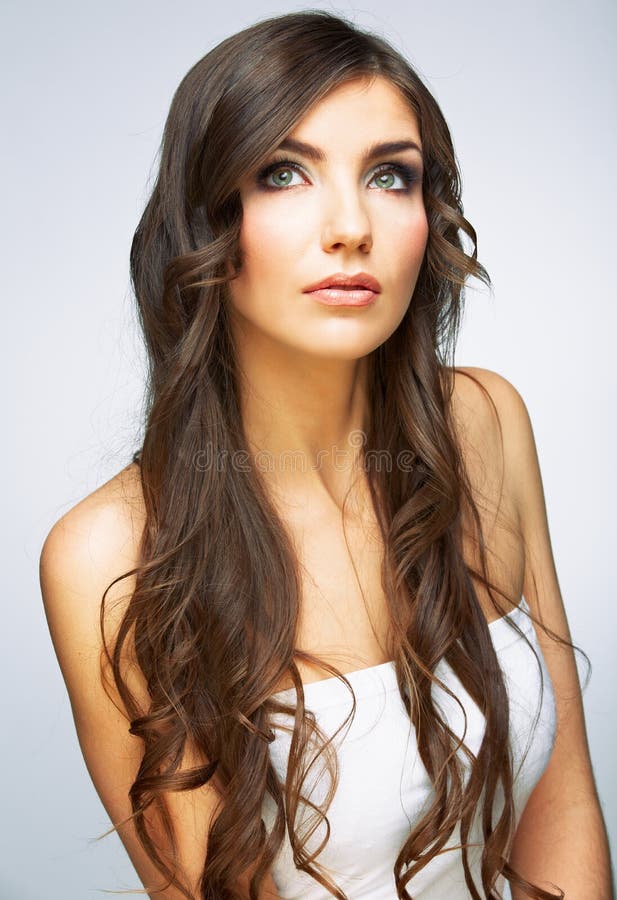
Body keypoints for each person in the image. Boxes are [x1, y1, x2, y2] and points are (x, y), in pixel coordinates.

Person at [39, 10, 612, 900]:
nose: (350, 226)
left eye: (391, 175)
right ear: (205, 221)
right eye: (283, 173)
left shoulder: (485, 422)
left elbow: (563, 803)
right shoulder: (110, 556)